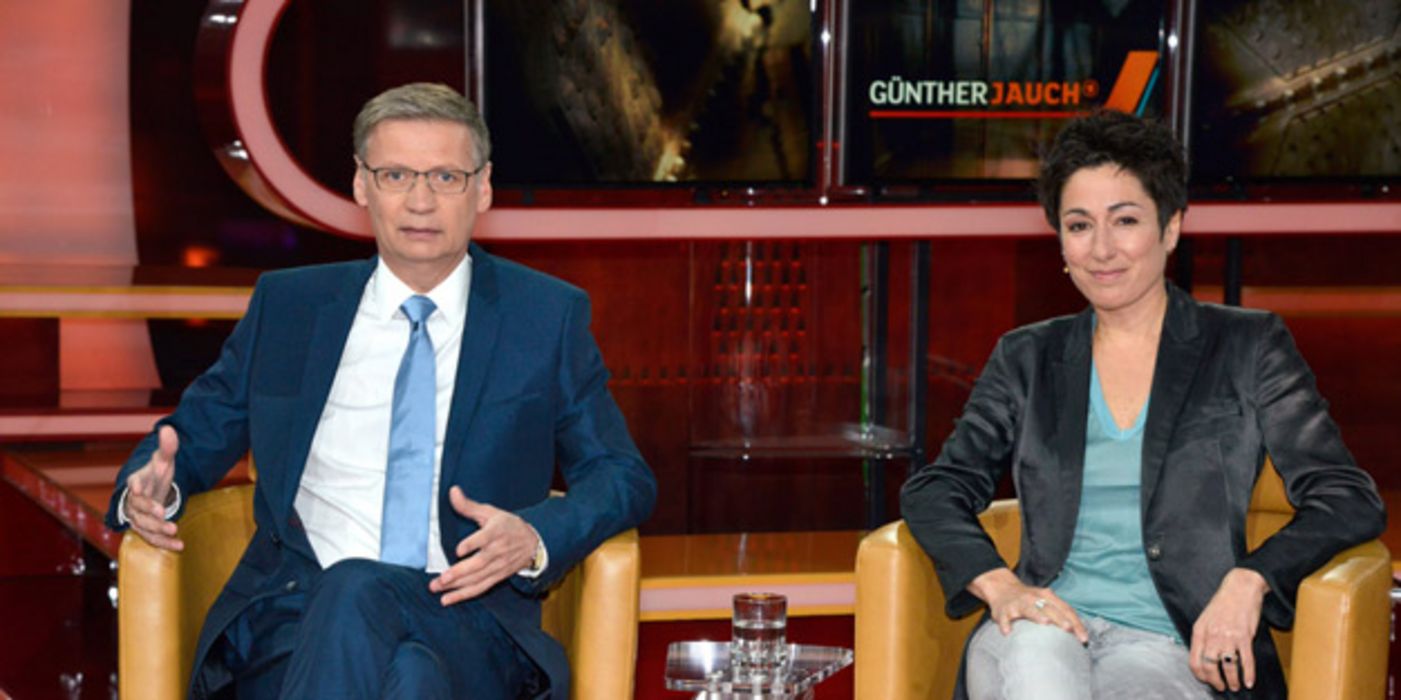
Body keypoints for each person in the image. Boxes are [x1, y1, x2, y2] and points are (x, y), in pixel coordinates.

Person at [105, 82, 657, 699]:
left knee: (365, 596)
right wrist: (152, 489)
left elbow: (621, 474)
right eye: (396, 174)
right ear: (362, 185)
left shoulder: (543, 317)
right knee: (408, 674)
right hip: (295, 619)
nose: (420, 200)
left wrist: (535, 536)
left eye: (446, 177)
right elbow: (193, 435)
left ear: (484, 187)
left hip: (468, 617)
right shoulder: (291, 308)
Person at [899, 110, 1384, 700]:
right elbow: (937, 488)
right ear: (1060, 240)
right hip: (1042, 626)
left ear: (1172, 227)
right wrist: (1002, 586)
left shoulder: (1246, 347)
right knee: (1037, 663)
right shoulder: (1027, 357)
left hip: (1170, 647)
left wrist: (1251, 579)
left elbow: (1345, 496)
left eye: (1125, 220)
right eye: (1079, 226)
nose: (1102, 249)